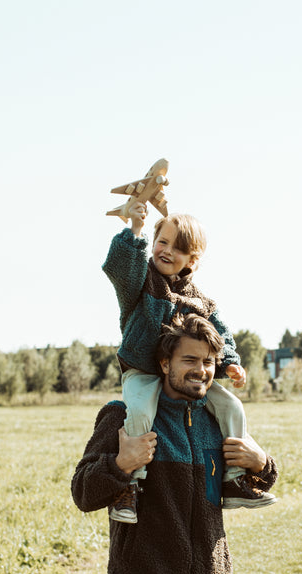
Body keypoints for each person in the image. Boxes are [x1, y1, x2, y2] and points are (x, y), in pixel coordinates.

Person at [71, 313, 279, 574]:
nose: (201, 370)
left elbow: (254, 480)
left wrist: (263, 464)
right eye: (189, 360)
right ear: (165, 363)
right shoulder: (124, 416)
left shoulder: (216, 419)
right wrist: (121, 464)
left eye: (208, 362)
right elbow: (83, 491)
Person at [102, 200, 275, 523]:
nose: (166, 251)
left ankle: (235, 479)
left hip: (187, 377)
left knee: (232, 407)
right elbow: (119, 268)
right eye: (162, 242)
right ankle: (130, 487)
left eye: (178, 248)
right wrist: (135, 230)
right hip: (142, 371)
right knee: (139, 412)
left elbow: (219, 336)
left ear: (192, 261)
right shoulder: (141, 283)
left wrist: (231, 364)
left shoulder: (200, 301)